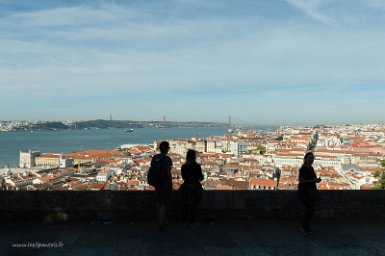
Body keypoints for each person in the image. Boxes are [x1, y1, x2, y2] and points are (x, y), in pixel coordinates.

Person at [298, 152, 322, 235]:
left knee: (311, 210)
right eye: (309, 158)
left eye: (312, 158)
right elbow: (301, 180)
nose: (311, 159)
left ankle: (306, 227)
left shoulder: (311, 168)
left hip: (311, 191)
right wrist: (313, 180)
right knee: (310, 209)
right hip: (304, 192)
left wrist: (316, 180)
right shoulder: (303, 169)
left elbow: (312, 179)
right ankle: (304, 227)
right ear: (306, 159)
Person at [179, 149, 204, 228]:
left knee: (185, 205)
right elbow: (200, 177)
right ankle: (192, 222)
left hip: (186, 186)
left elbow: (183, 177)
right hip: (195, 187)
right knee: (194, 205)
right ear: (194, 157)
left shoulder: (184, 166)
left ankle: (184, 221)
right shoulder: (197, 166)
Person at [151, 141, 173, 231]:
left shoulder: (155, 157)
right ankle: (161, 224)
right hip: (164, 183)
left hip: (157, 182)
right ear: (167, 149)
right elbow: (168, 173)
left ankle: (158, 220)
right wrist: (170, 183)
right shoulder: (167, 159)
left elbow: (152, 168)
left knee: (158, 202)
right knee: (163, 203)